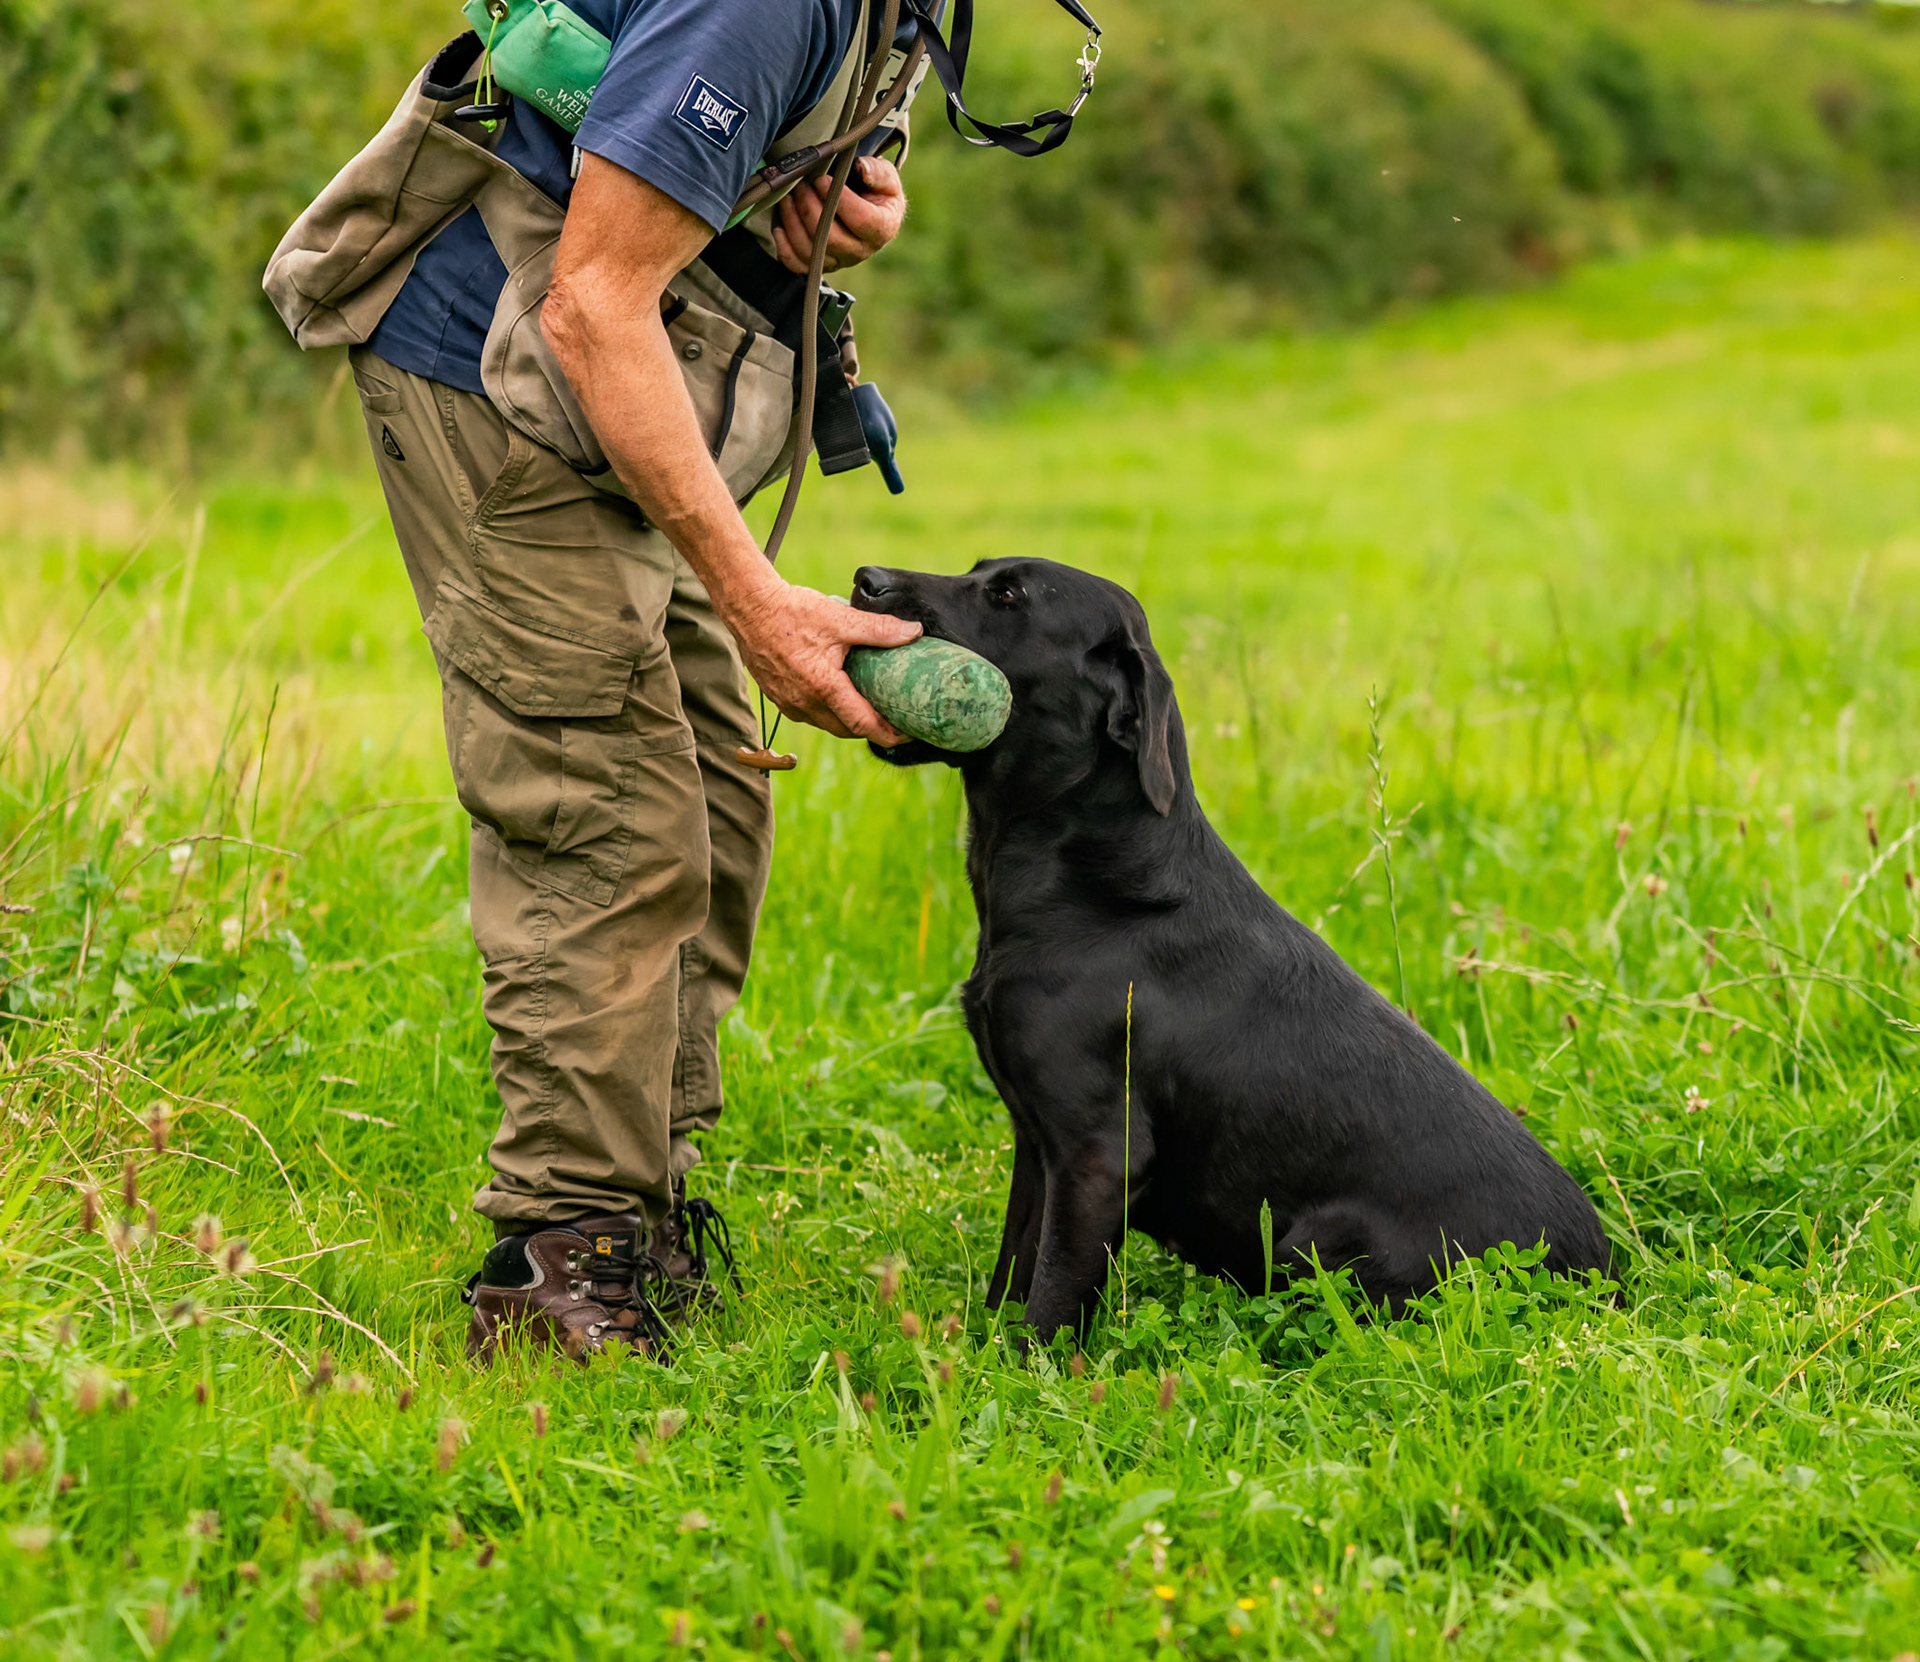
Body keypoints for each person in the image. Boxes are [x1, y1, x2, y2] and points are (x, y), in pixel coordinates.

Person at [285, 0, 931, 1362]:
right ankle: (555, 1256)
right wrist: (757, 603)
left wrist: (839, 192)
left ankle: (639, 1204)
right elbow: (593, 301)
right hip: (504, 370)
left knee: (714, 796)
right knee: (606, 814)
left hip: (608, 381)